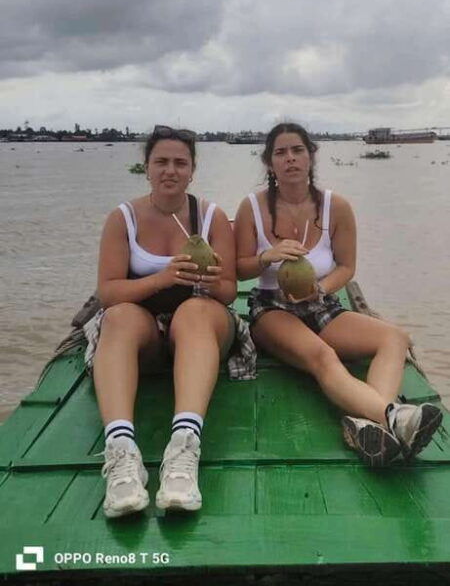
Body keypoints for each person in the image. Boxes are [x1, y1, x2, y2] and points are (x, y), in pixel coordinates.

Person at [234, 122, 442, 467]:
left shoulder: (337, 207)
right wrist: (265, 257)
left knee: (395, 338)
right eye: (280, 153)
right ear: (269, 163)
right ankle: (395, 416)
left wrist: (319, 289)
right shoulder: (251, 208)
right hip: (272, 308)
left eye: (297, 150)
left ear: (311, 156)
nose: (290, 159)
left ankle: (370, 422)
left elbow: (346, 267)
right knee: (323, 356)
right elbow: (238, 269)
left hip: (320, 303)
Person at [92, 125, 237, 518]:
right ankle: (122, 453)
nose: (170, 170)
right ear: (146, 168)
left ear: (192, 170)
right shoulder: (123, 218)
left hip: (201, 329)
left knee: (193, 311)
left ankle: (184, 447)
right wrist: (162, 278)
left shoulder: (211, 217)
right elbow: (107, 293)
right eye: (161, 162)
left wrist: (210, 282)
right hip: (147, 333)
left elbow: (229, 292)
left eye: (180, 162)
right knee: (118, 317)